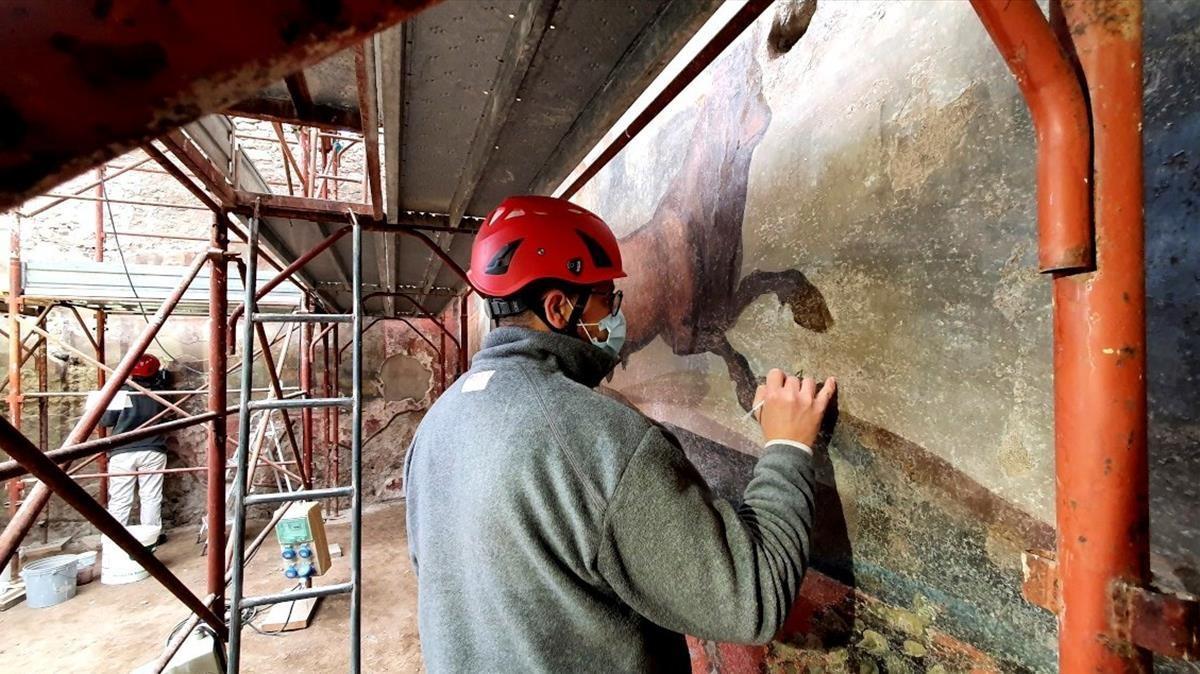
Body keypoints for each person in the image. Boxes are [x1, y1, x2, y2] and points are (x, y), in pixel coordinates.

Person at [404, 195, 836, 673]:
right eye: (607, 299)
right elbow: (753, 598)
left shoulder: (435, 426)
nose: (616, 317)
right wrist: (788, 445)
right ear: (558, 307)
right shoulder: (601, 439)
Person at [99, 353, 172, 543]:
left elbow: (105, 420)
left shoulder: (122, 392)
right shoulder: (159, 393)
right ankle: (151, 537)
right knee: (151, 496)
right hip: (153, 449)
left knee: (120, 499)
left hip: (122, 451)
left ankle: (113, 540)